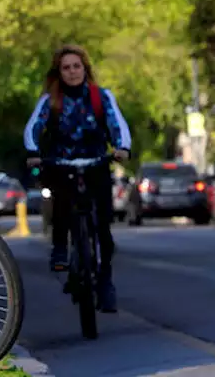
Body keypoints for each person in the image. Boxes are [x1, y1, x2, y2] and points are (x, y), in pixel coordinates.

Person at [24, 45, 131, 313]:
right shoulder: (50, 100)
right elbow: (33, 128)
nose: (72, 72)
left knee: (103, 228)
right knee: (60, 204)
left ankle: (105, 281)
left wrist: (121, 148)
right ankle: (60, 248)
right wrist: (33, 152)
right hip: (61, 164)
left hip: (96, 163)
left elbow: (118, 125)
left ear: (85, 69)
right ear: (59, 73)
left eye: (76, 66)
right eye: (66, 68)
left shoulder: (101, 97)